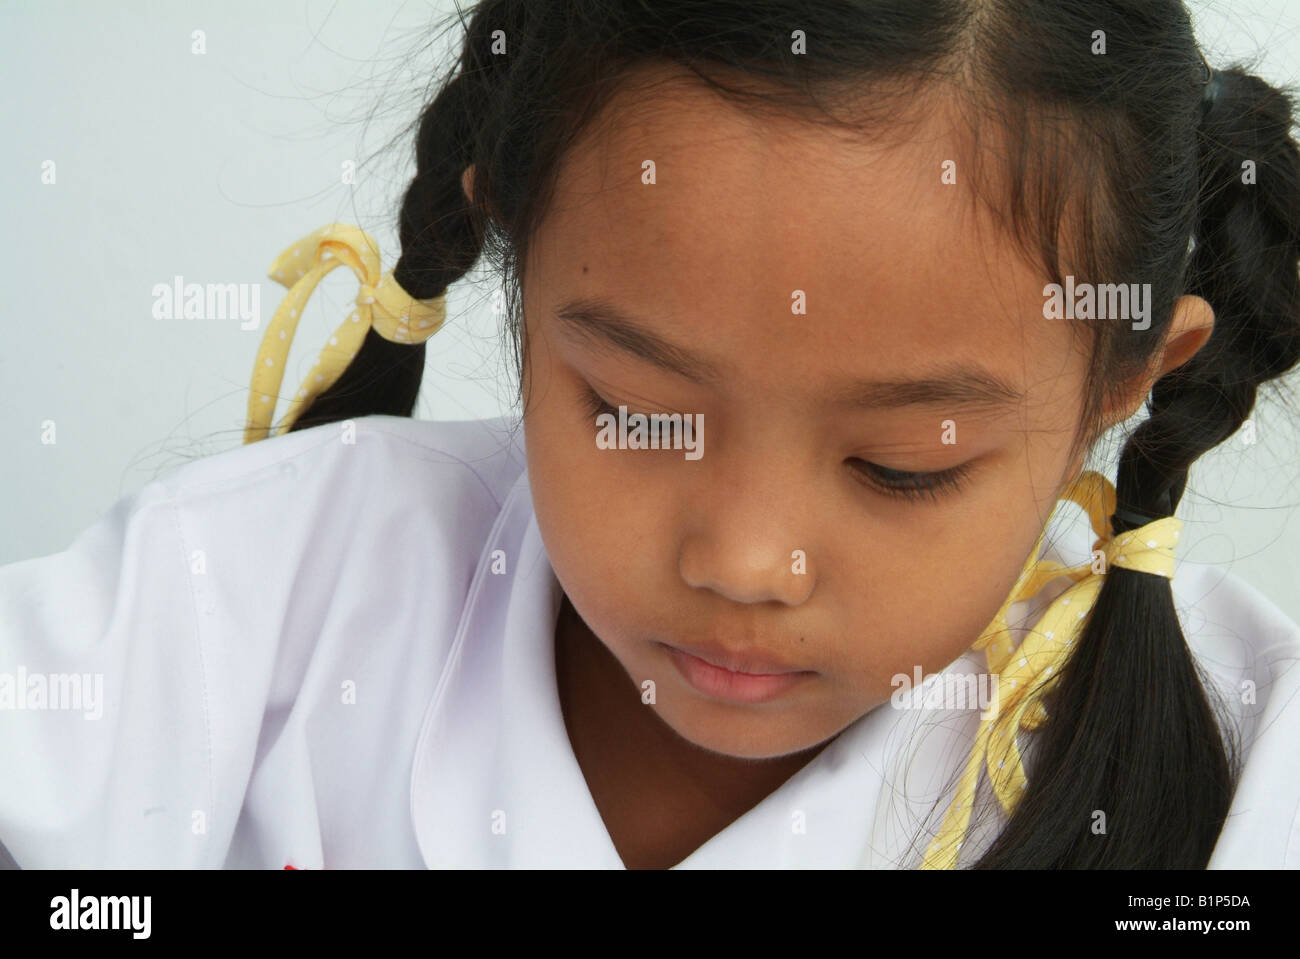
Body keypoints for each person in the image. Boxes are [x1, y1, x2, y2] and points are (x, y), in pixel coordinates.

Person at [3, 0, 1299, 869]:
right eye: (632, 411)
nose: (745, 563)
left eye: (906, 466)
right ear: (513, 249)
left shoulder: (1245, 761)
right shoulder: (257, 586)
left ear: (1125, 375)